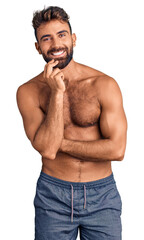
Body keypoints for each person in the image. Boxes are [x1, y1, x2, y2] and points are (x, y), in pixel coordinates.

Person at [16, 6, 127, 240]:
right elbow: (47, 149)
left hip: (102, 195)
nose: (56, 44)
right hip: (52, 195)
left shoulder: (103, 84)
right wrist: (57, 93)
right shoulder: (28, 92)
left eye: (62, 35)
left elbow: (117, 150)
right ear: (38, 47)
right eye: (46, 38)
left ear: (73, 38)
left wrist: (59, 144)